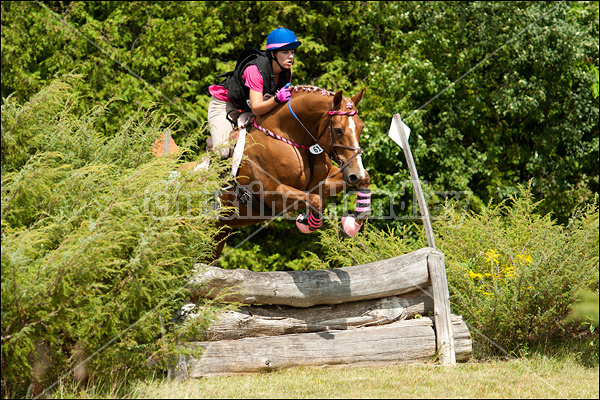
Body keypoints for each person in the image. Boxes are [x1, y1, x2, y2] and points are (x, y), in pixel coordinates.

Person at [206, 27, 302, 159]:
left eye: (292, 52)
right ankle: (211, 152)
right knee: (223, 152)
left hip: (248, 106)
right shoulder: (255, 70)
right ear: (273, 53)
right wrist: (276, 99)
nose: (291, 56)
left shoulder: (286, 73)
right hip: (225, 105)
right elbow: (257, 108)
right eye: (285, 52)